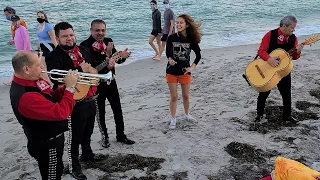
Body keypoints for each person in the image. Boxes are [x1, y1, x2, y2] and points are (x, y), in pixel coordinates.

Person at [46, 22, 105, 180]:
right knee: (74, 137)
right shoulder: (53, 56)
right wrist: (80, 70)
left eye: (71, 35)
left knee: (88, 130)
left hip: (91, 97)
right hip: (72, 101)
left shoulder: (84, 50)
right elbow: (56, 77)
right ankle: (74, 166)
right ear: (57, 38)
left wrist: (110, 61)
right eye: (65, 36)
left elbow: (92, 69)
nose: (69, 38)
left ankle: (87, 153)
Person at [10, 50, 78, 180]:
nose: (42, 67)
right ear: (26, 69)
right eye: (38, 65)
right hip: (47, 144)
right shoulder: (26, 96)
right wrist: (70, 88)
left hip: (52, 137)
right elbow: (61, 112)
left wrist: (65, 88)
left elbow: (51, 97)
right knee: (52, 176)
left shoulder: (33, 80)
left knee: (57, 170)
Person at [80, 19, 135, 148]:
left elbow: (117, 61)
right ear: (91, 30)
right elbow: (92, 70)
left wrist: (122, 56)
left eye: (103, 30)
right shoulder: (84, 46)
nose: (100, 33)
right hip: (96, 85)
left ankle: (121, 135)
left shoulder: (108, 41)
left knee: (117, 109)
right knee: (101, 113)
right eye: (97, 30)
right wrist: (108, 59)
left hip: (111, 81)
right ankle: (104, 137)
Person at [254, 15, 304, 123]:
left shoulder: (293, 38)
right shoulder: (270, 35)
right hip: (268, 69)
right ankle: (259, 114)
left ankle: (287, 117)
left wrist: (298, 51)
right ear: (284, 26)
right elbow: (261, 51)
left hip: (283, 71)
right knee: (263, 93)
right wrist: (269, 59)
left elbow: (294, 57)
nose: (294, 30)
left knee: (287, 94)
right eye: (292, 27)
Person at [165, 14, 202, 129]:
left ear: (186, 25)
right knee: (174, 96)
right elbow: (167, 53)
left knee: (186, 96)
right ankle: (173, 118)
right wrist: (170, 59)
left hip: (184, 72)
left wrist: (192, 67)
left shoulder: (191, 39)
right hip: (171, 71)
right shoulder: (171, 38)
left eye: (181, 22)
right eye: (177, 22)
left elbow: (198, 55)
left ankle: (187, 114)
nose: (178, 24)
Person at [3, 15, 32, 86]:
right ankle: (23, 81)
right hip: (20, 51)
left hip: (25, 52)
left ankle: (27, 81)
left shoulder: (23, 28)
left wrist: (25, 51)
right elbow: (19, 39)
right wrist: (13, 41)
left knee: (24, 67)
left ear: (20, 21)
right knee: (22, 67)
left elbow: (26, 40)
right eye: (13, 21)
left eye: (16, 21)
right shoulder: (16, 29)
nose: (15, 22)